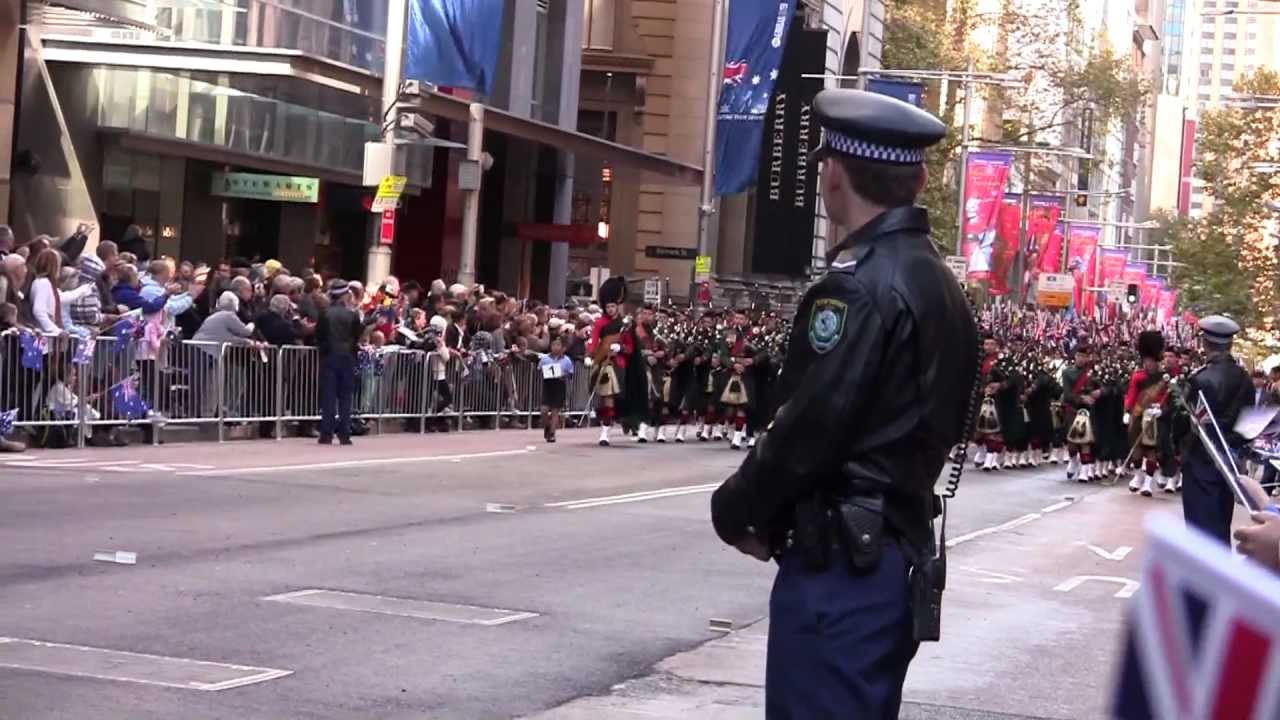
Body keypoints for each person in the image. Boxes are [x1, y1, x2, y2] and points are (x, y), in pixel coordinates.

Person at [710, 89, 977, 719]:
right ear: (919, 178)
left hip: (841, 569)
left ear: (833, 174)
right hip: (886, 557)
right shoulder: (939, 281)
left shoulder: (857, 288)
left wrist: (735, 509)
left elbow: (810, 429)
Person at [1181, 315, 1253, 545]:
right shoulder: (1245, 379)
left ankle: (1200, 577)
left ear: (1205, 343)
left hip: (1200, 458)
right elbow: (1249, 422)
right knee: (1221, 521)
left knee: (1199, 524)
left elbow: (1184, 420)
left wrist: (1176, 448)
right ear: (1230, 344)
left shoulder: (1199, 379)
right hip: (1229, 460)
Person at [1124, 331, 1169, 497]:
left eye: (1150, 361)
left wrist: (1161, 409)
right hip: (1138, 414)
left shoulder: (1164, 378)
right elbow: (1131, 395)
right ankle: (1138, 476)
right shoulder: (1138, 376)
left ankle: (1148, 483)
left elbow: (1167, 397)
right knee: (1136, 449)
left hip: (1154, 416)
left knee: (1151, 450)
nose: (1147, 364)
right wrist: (1128, 412)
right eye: (1146, 361)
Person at [316, 279, 361, 446]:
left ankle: (326, 434)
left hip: (329, 355)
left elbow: (319, 335)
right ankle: (344, 433)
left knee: (328, 395)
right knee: (345, 396)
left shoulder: (325, 313)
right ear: (344, 295)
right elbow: (356, 335)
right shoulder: (352, 315)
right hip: (347, 355)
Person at [538, 336, 574, 443]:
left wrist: (563, 375)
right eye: (553, 345)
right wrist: (545, 372)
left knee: (555, 411)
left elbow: (570, 373)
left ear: (563, 348)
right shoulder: (545, 359)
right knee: (544, 410)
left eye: (558, 345)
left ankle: (552, 433)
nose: (555, 347)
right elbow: (539, 369)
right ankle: (547, 427)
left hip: (559, 386)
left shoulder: (566, 360)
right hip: (548, 385)